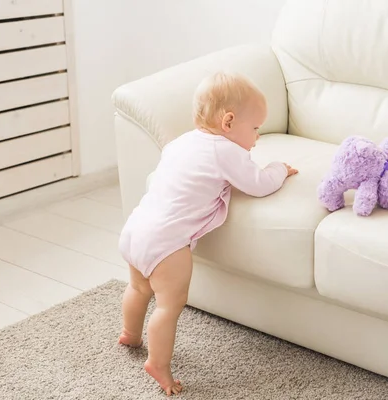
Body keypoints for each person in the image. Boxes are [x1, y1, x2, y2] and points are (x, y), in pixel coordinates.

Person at [117, 71, 298, 396]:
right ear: (228, 122)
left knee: (138, 286)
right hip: (167, 243)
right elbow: (258, 185)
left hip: (136, 226)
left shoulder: (180, 143)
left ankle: (130, 333)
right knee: (168, 306)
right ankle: (158, 363)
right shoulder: (224, 151)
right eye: (255, 128)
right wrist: (280, 169)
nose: (257, 138)